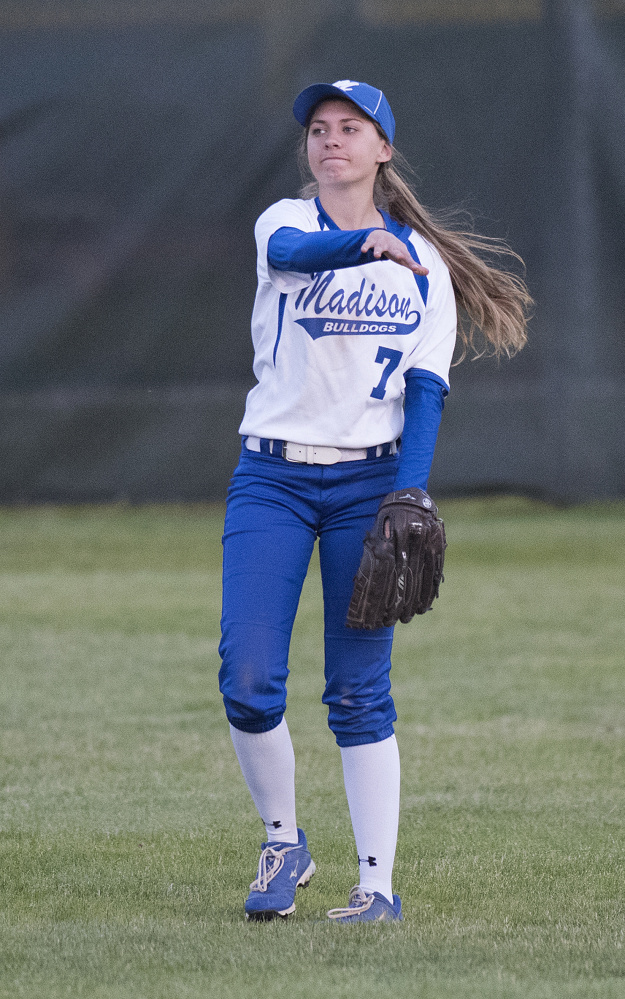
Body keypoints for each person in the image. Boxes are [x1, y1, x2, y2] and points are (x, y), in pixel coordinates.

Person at [218, 79, 532, 923]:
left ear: (382, 149)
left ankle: (376, 887)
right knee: (247, 679)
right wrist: (362, 249)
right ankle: (284, 841)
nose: (330, 141)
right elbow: (296, 258)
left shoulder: (420, 263)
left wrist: (411, 490)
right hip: (272, 478)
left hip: (368, 484)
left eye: (350, 129)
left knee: (359, 692)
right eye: (318, 129)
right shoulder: (282, 224)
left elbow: (426, 390)